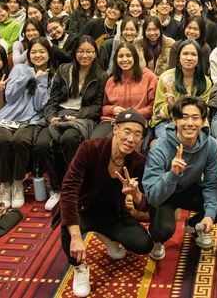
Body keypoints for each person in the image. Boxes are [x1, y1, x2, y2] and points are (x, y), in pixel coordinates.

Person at [56, 109, 152, 298]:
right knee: (68, 230)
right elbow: (68, 190)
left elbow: (145, 206)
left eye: (137, 134)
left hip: (112, 214)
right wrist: (76, 236)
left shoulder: (138, 162)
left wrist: (136, 193)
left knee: (144, 244)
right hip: (83, 210)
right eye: (127, 131)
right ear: (115, 129)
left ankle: (105, 235)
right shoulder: (89, 149)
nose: (131, 139)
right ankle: (80, 268)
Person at [142, 96, 217, 261]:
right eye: (184, 117)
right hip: (163, 194)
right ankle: (157, 240)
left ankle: (192, 226)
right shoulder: (160, 148)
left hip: (189, 188)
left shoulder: (210, 145)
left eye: (195, 118)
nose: (190, 123)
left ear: (203, 121)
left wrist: (209, 214)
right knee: (163, 230)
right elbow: (152, 196)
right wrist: (172, 174)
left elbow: (211, 184)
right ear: (174, 120)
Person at [36, 36, 107, 212]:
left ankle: (73, 186)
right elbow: (52, 100)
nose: (85, 55)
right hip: (59, 114)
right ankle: (57, 187)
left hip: (83, 118)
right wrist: (51, 116)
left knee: (70, 138)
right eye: (81, 51)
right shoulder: (63, 70)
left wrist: (78, 116)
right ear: (75, 53)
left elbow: (97, 106)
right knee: (41, 143)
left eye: (89, 51)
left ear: (95, 53)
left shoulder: (101, 75)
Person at [0, 37, 52, 209]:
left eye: (42, 51)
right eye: (34, 52)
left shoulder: (51, 74)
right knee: (2, 141)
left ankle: (18, 183)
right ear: (28, 54)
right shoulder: (19, 68)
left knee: (21, 141)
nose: (38, 55)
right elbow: (10, 96)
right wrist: (27, 75)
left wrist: (41, 80)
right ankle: (5, 184)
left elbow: (40, 105)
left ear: (48, 54)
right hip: (6, 118)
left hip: (29, 121)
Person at [92, 43, 157, 138]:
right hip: (112, 120)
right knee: (94, 142)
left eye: (128, 56)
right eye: (120, 56)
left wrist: (132, 113)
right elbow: (104, 108)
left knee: (113, 140)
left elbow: (152, 108)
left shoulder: (149, 77)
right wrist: (112, 109)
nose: (124, 60)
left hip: (137, 120)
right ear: (116, 59)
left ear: (135, 58)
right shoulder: (111, 80)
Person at [150, 39, 211, 138]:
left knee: (204, 139)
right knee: (171, 140)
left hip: (194, 122)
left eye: (193, 54)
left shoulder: (205, 81)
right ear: (179, 57)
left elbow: (204, 110)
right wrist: (170, 106)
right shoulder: (166, 78)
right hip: (168, 121)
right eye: (185, 54)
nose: (189, 58)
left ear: (199, 59)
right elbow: (157, 113)